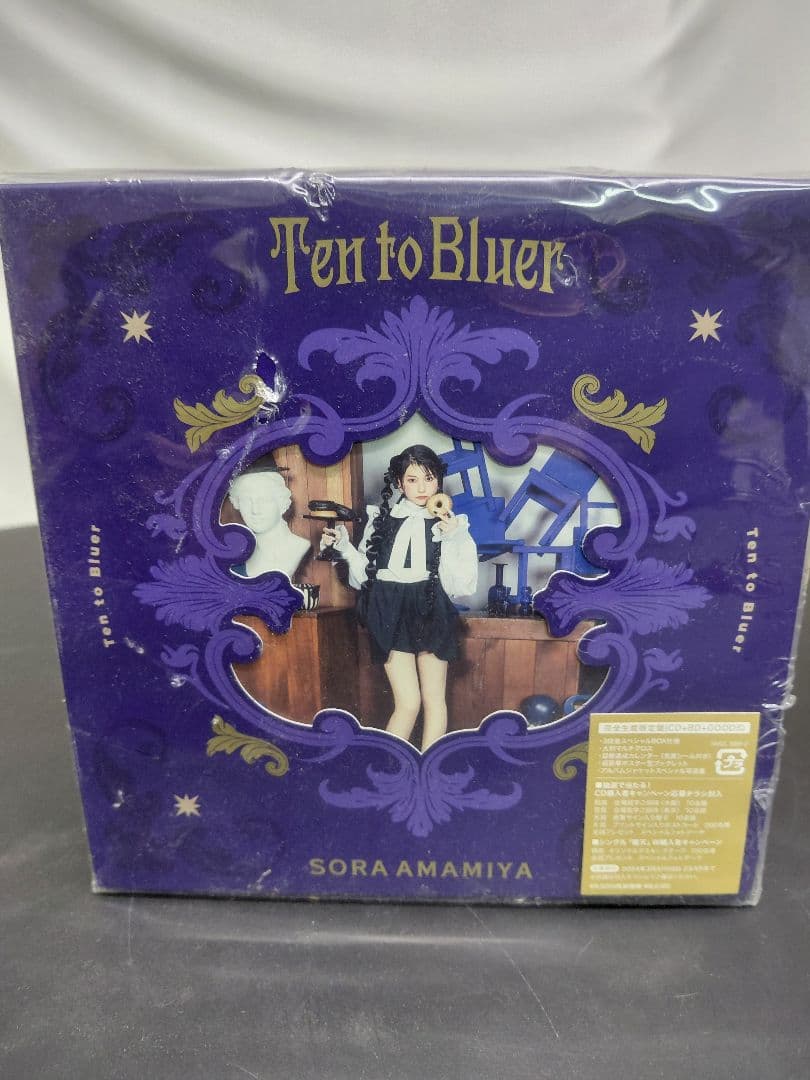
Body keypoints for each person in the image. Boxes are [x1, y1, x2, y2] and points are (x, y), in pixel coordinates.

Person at [322, 445, 478, 750]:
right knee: (407, 703)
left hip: (430, 606)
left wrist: (454, 536)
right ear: (398, 482)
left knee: (434, 700)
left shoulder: (451, 525)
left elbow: (460, 583)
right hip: (389, 609)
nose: (422, 488)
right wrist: (343, 547)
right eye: (412, 480)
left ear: (438, 481)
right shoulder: (381, 519)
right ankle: (389, 764)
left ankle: (429, 765)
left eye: (429, 479)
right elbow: (365, 577)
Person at [228, 465, 309, 579]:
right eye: (246, 500)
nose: (255, 510)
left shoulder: (299, 547)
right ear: (237, 504)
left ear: (281, 504)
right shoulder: (237, 551)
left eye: (264, 500)